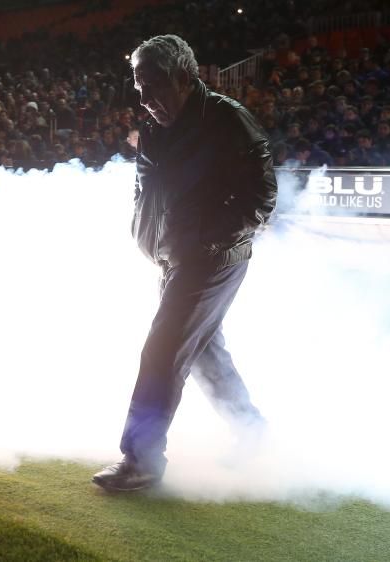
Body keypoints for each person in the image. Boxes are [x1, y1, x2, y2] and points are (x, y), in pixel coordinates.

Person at [92, 34, 277, 492]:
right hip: (176, 256)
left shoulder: (228, 119)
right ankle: (251, 432)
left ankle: (141, 460)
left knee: (163, 349)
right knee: (202, 352)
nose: (144, 98)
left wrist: (209, 240)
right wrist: (152, 237)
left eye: (151, 85)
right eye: (138, 87)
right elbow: (145, 185)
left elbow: (262, 196)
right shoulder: (156, 126)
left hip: (212, 259)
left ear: (183, 77)